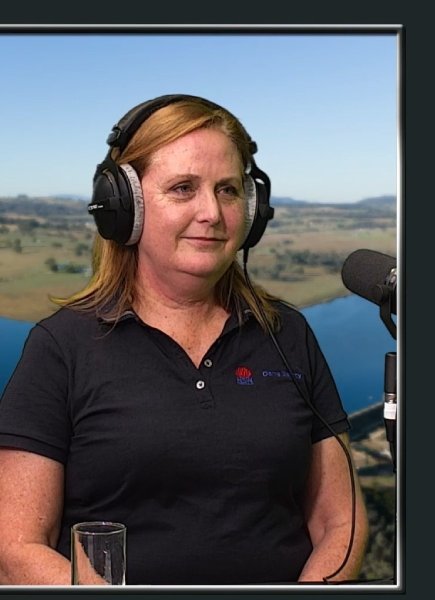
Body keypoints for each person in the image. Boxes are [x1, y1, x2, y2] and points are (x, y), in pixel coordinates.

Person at [0, 95, 368, 585]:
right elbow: (16, 545)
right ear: (123, 205)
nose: (211, 212)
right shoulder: (61, 346)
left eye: (229, 190)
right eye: (182, 188)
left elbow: (340, 522)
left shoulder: (288, 333)